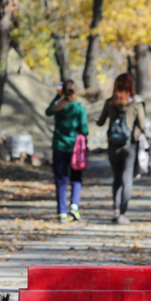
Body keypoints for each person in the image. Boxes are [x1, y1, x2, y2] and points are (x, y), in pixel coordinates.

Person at [96, 73, 146, 225]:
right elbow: (143, 126)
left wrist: (97, 120)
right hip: (130, 145)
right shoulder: (137, 104)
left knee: (117, 178)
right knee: (127, 178)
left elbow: (101, 122)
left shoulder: (109, 102)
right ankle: (123, 214)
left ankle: (115, 209)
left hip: (113, 145)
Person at [45, 79, 89, 223]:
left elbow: (48, 111)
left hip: (58, 147)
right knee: (76, 177)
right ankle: (74, 206)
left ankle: (62, 212)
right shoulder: (79, 108)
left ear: (63, 91)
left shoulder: (59, 106)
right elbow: (84, 130)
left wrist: (57, 96)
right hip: (75, 149)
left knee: (61, 180)